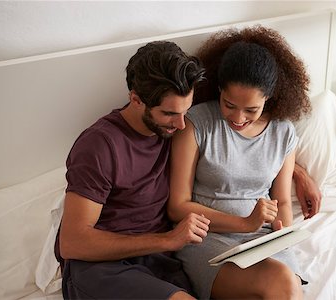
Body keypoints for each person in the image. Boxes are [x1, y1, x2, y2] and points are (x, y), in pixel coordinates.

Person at [55, 41, 210, 300]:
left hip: (158, 264)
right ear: (136, 99)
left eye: (186, 111)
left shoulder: (173, 129)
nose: (182, 124)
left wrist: (295, 170)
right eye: (169, 113)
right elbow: (73, 242)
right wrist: (167, 240)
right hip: (101, 268)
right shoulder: (99, 145)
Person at [168, 26, 314, 299]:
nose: (237, 117)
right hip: (209, 238)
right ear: (219, 89)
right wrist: (245, 223)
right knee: (282, 283)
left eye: (251, 109)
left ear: (268, 99)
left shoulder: (284, 133)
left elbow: (281, 200)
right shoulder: (196, 124)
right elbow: (178, 207)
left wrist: (281, 229)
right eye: (229, 104)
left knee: (284, 287)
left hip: (264, 238)